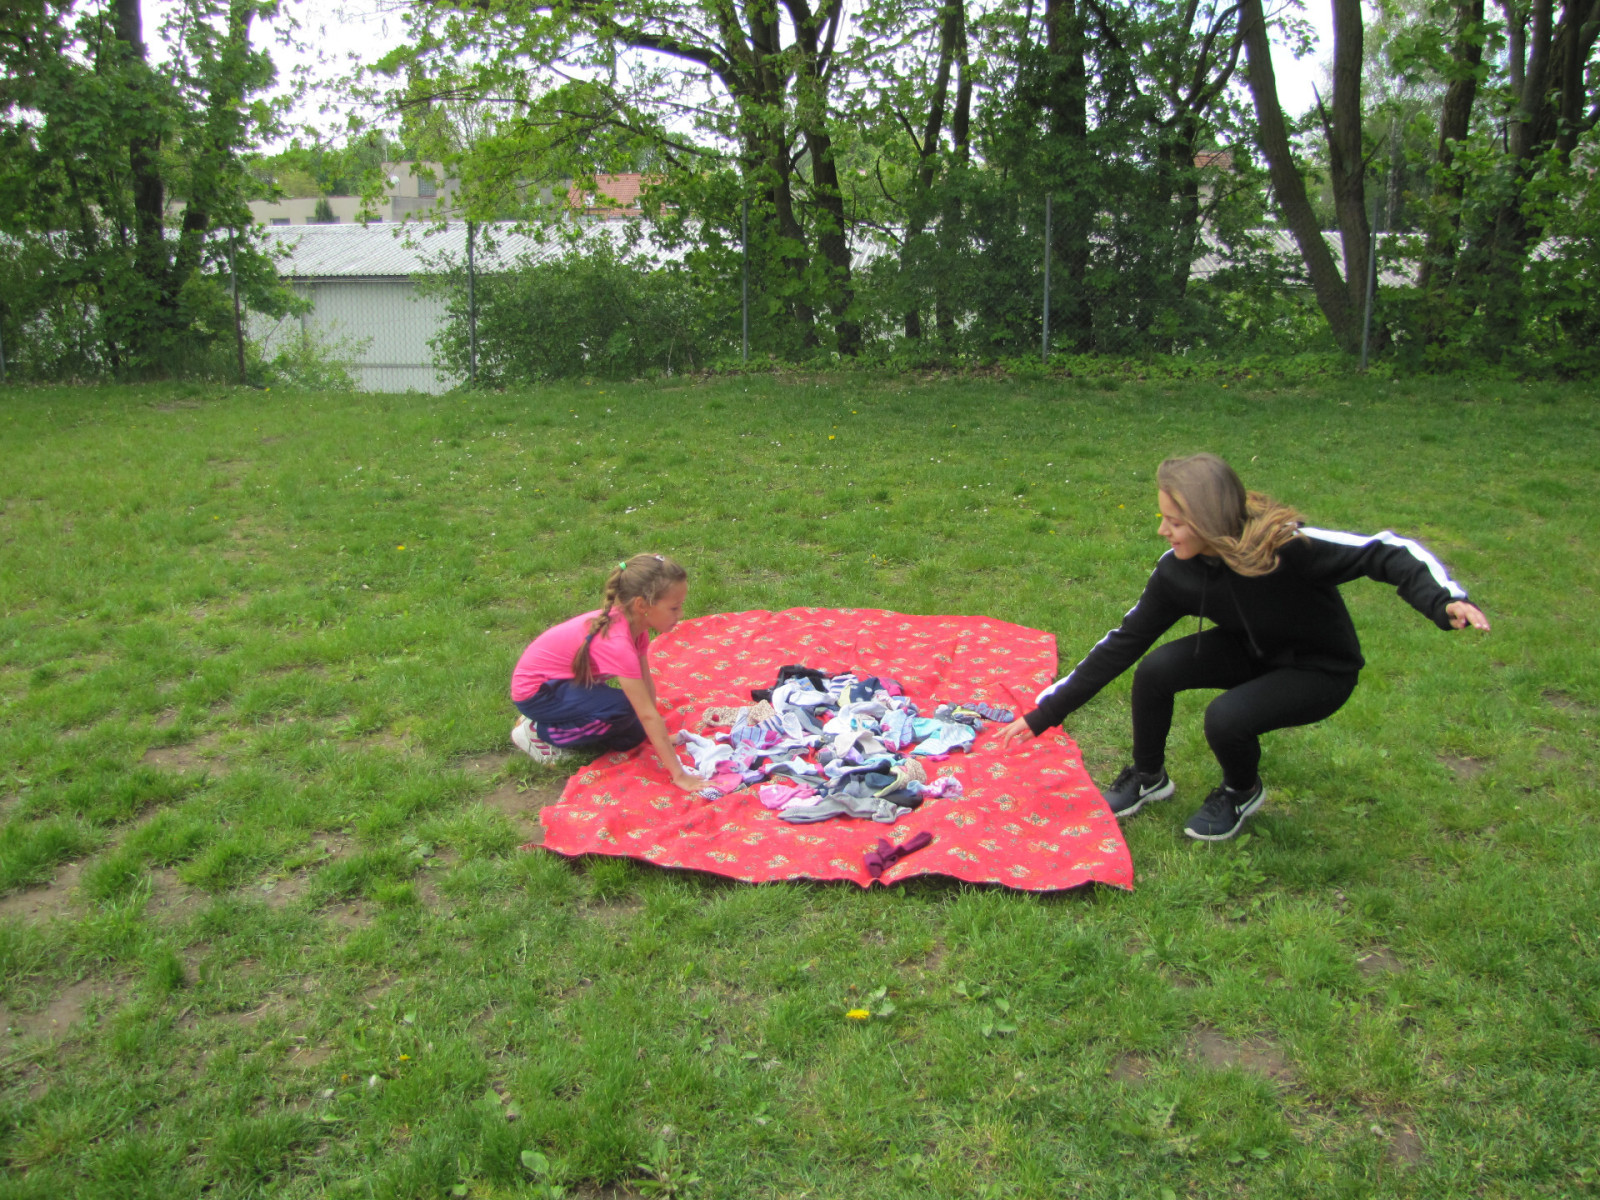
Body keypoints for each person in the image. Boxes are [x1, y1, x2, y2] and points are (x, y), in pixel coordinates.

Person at [995, 453, 1490, 842]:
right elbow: (1122, 643)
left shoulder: (1288, 547)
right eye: (1163, 518)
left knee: (1225, 717)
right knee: (1155, 669)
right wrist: (1045, 713)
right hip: (1253, 651)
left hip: (1320, 669)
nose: (1163, 530)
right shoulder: (1178, 571)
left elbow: (1386, 551)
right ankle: (1148, 777)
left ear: (1210, 519)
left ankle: (1240, 791)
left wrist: (1444, 600)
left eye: (1175, 521)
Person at [510, 553, 703, 792]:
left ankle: (560, 718)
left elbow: (646, 686)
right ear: (642, 605)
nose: (681, 614)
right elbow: (646, 714)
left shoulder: (637, 627)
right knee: (623, 710)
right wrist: (679, 775)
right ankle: (539, 731)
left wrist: (656, 734)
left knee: (631, 738)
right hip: (538, 693)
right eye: (674, 607)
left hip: (567, 684)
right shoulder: (618, 643)